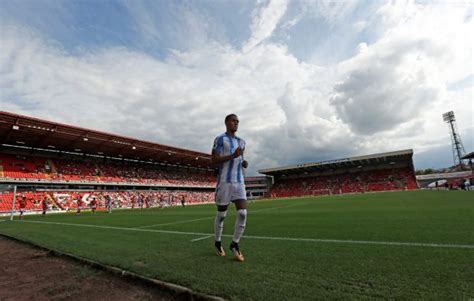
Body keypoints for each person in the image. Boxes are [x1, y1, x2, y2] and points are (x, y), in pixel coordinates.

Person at [211, 114, 248, 262]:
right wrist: (232, 156)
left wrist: (243, 164)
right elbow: (213, 160)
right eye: (233, 121)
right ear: (226, 122)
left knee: (243, 213)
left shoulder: (242, 142)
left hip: (239, 182)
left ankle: (235, 244)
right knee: (222, 215)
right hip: (225, 182)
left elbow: (240, 159)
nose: (236, 123)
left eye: (238, 121)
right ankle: (218, 241)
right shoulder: (220, 139)